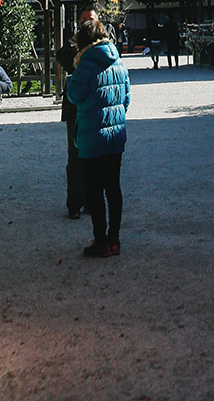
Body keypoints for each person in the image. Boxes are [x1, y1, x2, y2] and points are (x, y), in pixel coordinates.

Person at [66, 18, 130, 259]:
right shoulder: (118, 62)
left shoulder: (85, 65)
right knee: (113, 188)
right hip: (115, 137)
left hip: (92, 138)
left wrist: (71, 78)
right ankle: (114, 240)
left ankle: (100, 240)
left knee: (94, 191)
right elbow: (126, 100)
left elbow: (74, 96)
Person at [57, 33, 86, 220]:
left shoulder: (101, 50)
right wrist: (72, 42)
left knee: (96, 158)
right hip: (74, 109)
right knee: (74, 155)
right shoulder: (72, 51)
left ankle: (92, 200)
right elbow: (61, 56)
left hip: (93, 107)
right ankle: (74, 203)